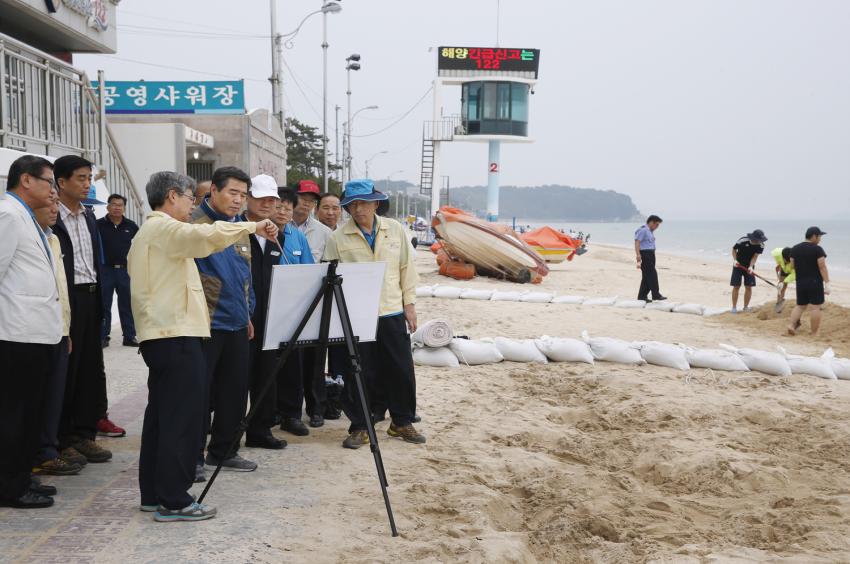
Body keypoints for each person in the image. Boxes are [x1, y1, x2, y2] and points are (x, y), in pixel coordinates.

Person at [129, 171, 279, 522]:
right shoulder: (164, 228)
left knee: (163, 418)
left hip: (171, 335)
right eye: (188, 199)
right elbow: (203, 236)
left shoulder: (156, 232)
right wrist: (251, 227)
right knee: (181, 419)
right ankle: (174, 499)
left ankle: (154, 493)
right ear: (171, 196)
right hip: (175, 336)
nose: (191, 206)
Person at [323, 179, 425, 449]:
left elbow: (406, 268)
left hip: (391, 310)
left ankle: (401, 421)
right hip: (356, 315)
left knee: (400, 368)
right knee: (359, 371)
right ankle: (360, 425)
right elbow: (328, 276)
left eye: (364, 203)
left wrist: (410, 305)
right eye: (352, 204)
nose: (358, 209)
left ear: (375, 203)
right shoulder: (337, 238)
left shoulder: (395, 230)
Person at [0, 155, 62, 508]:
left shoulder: (26, 217)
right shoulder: (8, 214)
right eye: (48, 182)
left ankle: (20, 477)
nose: (52, 190)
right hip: (15, 334)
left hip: (35, 333)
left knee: (28, 416)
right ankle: (11, 486)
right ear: (26, 180)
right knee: (15, 416)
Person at [53, 155, 121, 463]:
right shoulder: (54, 219)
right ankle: (63, 438)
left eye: (89, 178)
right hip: (69, 299)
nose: (86, 184)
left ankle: (85, 433)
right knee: (69, 368)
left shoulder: (88, 216)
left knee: (91, 369)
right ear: (61, 182)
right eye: (80, 178)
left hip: (93, 296)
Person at [192, 166, 258, 475]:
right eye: (232, 193)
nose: (238, 200)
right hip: (205, 323)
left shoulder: (241, 227)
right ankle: (191, 456)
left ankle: (224, 450)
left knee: (235, 391)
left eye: (243, 195)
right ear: (213, 191)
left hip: (236, 322)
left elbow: (246, 276)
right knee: (198, 394)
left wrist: (248, 313)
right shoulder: (194, 225)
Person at [32, 188, 83, 477]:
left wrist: (66, 330)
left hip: (58, 330)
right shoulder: (24, 233)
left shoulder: (52, 238)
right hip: (31, 332)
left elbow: (60, 290)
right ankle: (36, 454)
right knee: (34, 398)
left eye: (56, 203)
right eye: (49, 202)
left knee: (54, 395)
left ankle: (47, 451)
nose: (54, 209)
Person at [241, 175, 286, 450]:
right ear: (248, 199)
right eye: (262, 198)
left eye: (272, 199)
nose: (268, 204)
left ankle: (260, 430)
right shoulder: (236, 231)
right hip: (242, 319)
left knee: (267, 375)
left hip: (271, 319)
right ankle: (230, 432)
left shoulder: (276, 236)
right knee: (237, 378)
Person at [270, 188, 320, 435]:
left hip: (292, 312)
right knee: (265, 365)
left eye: (287, 208)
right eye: (278, 206)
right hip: (265, 310)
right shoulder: (258, 232)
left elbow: (309, 270)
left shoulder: (298, 237)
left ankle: (291, 415)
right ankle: (267, 413)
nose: (283, 211)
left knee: (292, 364)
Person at [96, 194, 139, 347]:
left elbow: (139, 246)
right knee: (104, 304)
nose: (117, 208)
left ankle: (129, 336)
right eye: (114, 204)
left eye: (120, 205)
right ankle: (103, 336)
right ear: (108, 207)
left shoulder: (131, 226)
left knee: (127, 304)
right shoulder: (98, 225)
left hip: (124, 271)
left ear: (124, 208)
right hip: (105, 270)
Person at [787, 227, 830, 336]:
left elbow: (792, 266)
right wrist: (827, 283)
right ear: (814, 236)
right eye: (819, 236)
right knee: (815, 307)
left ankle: (791, 325)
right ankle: (814, 332)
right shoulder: (817, 249)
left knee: (800, 306)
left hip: (800, 282)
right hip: (815, 282)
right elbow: (822, 267)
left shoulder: (795, 249)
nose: (820, 239)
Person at [291, 179, 332, 262]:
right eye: (303, 198)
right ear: (292, 198)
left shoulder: (325, 232)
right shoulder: (279, 226)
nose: (307, 204)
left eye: (312, 200)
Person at [731, 229, 767, 313]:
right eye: (758, 240)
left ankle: (745, 307)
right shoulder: (743, 240)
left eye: (761, 240)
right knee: (736, 286)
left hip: (749, 266)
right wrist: (735, 260)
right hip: (738, 265)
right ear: (753, 238)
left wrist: (751, 266)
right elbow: (733, 250)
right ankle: (734, 308)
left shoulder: (761, 245)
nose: (760, 242)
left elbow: (755, 256)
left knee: (749, 287)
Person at [634, 215, 666, 302]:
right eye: (657, 225)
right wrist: (638, 255)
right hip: (645, 254)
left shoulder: (649, 231)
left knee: (646, 277)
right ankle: (656, 294)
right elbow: (637, 242)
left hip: (651, 254)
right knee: (652, 275)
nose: (657, 227)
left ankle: (642, 296)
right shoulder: (643, 230)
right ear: (651, 222)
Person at [771, 246, 795, 311]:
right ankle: (779, 303)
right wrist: (779, 266)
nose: (788, 261)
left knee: (785, 284)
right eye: (786, 260)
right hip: (784, 268)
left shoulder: (796, 261)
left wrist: (784, 281)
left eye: (789, 261)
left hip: (793, 270)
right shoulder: (777, 253)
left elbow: (793, 275)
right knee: (780, 287)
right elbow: (778, 261)